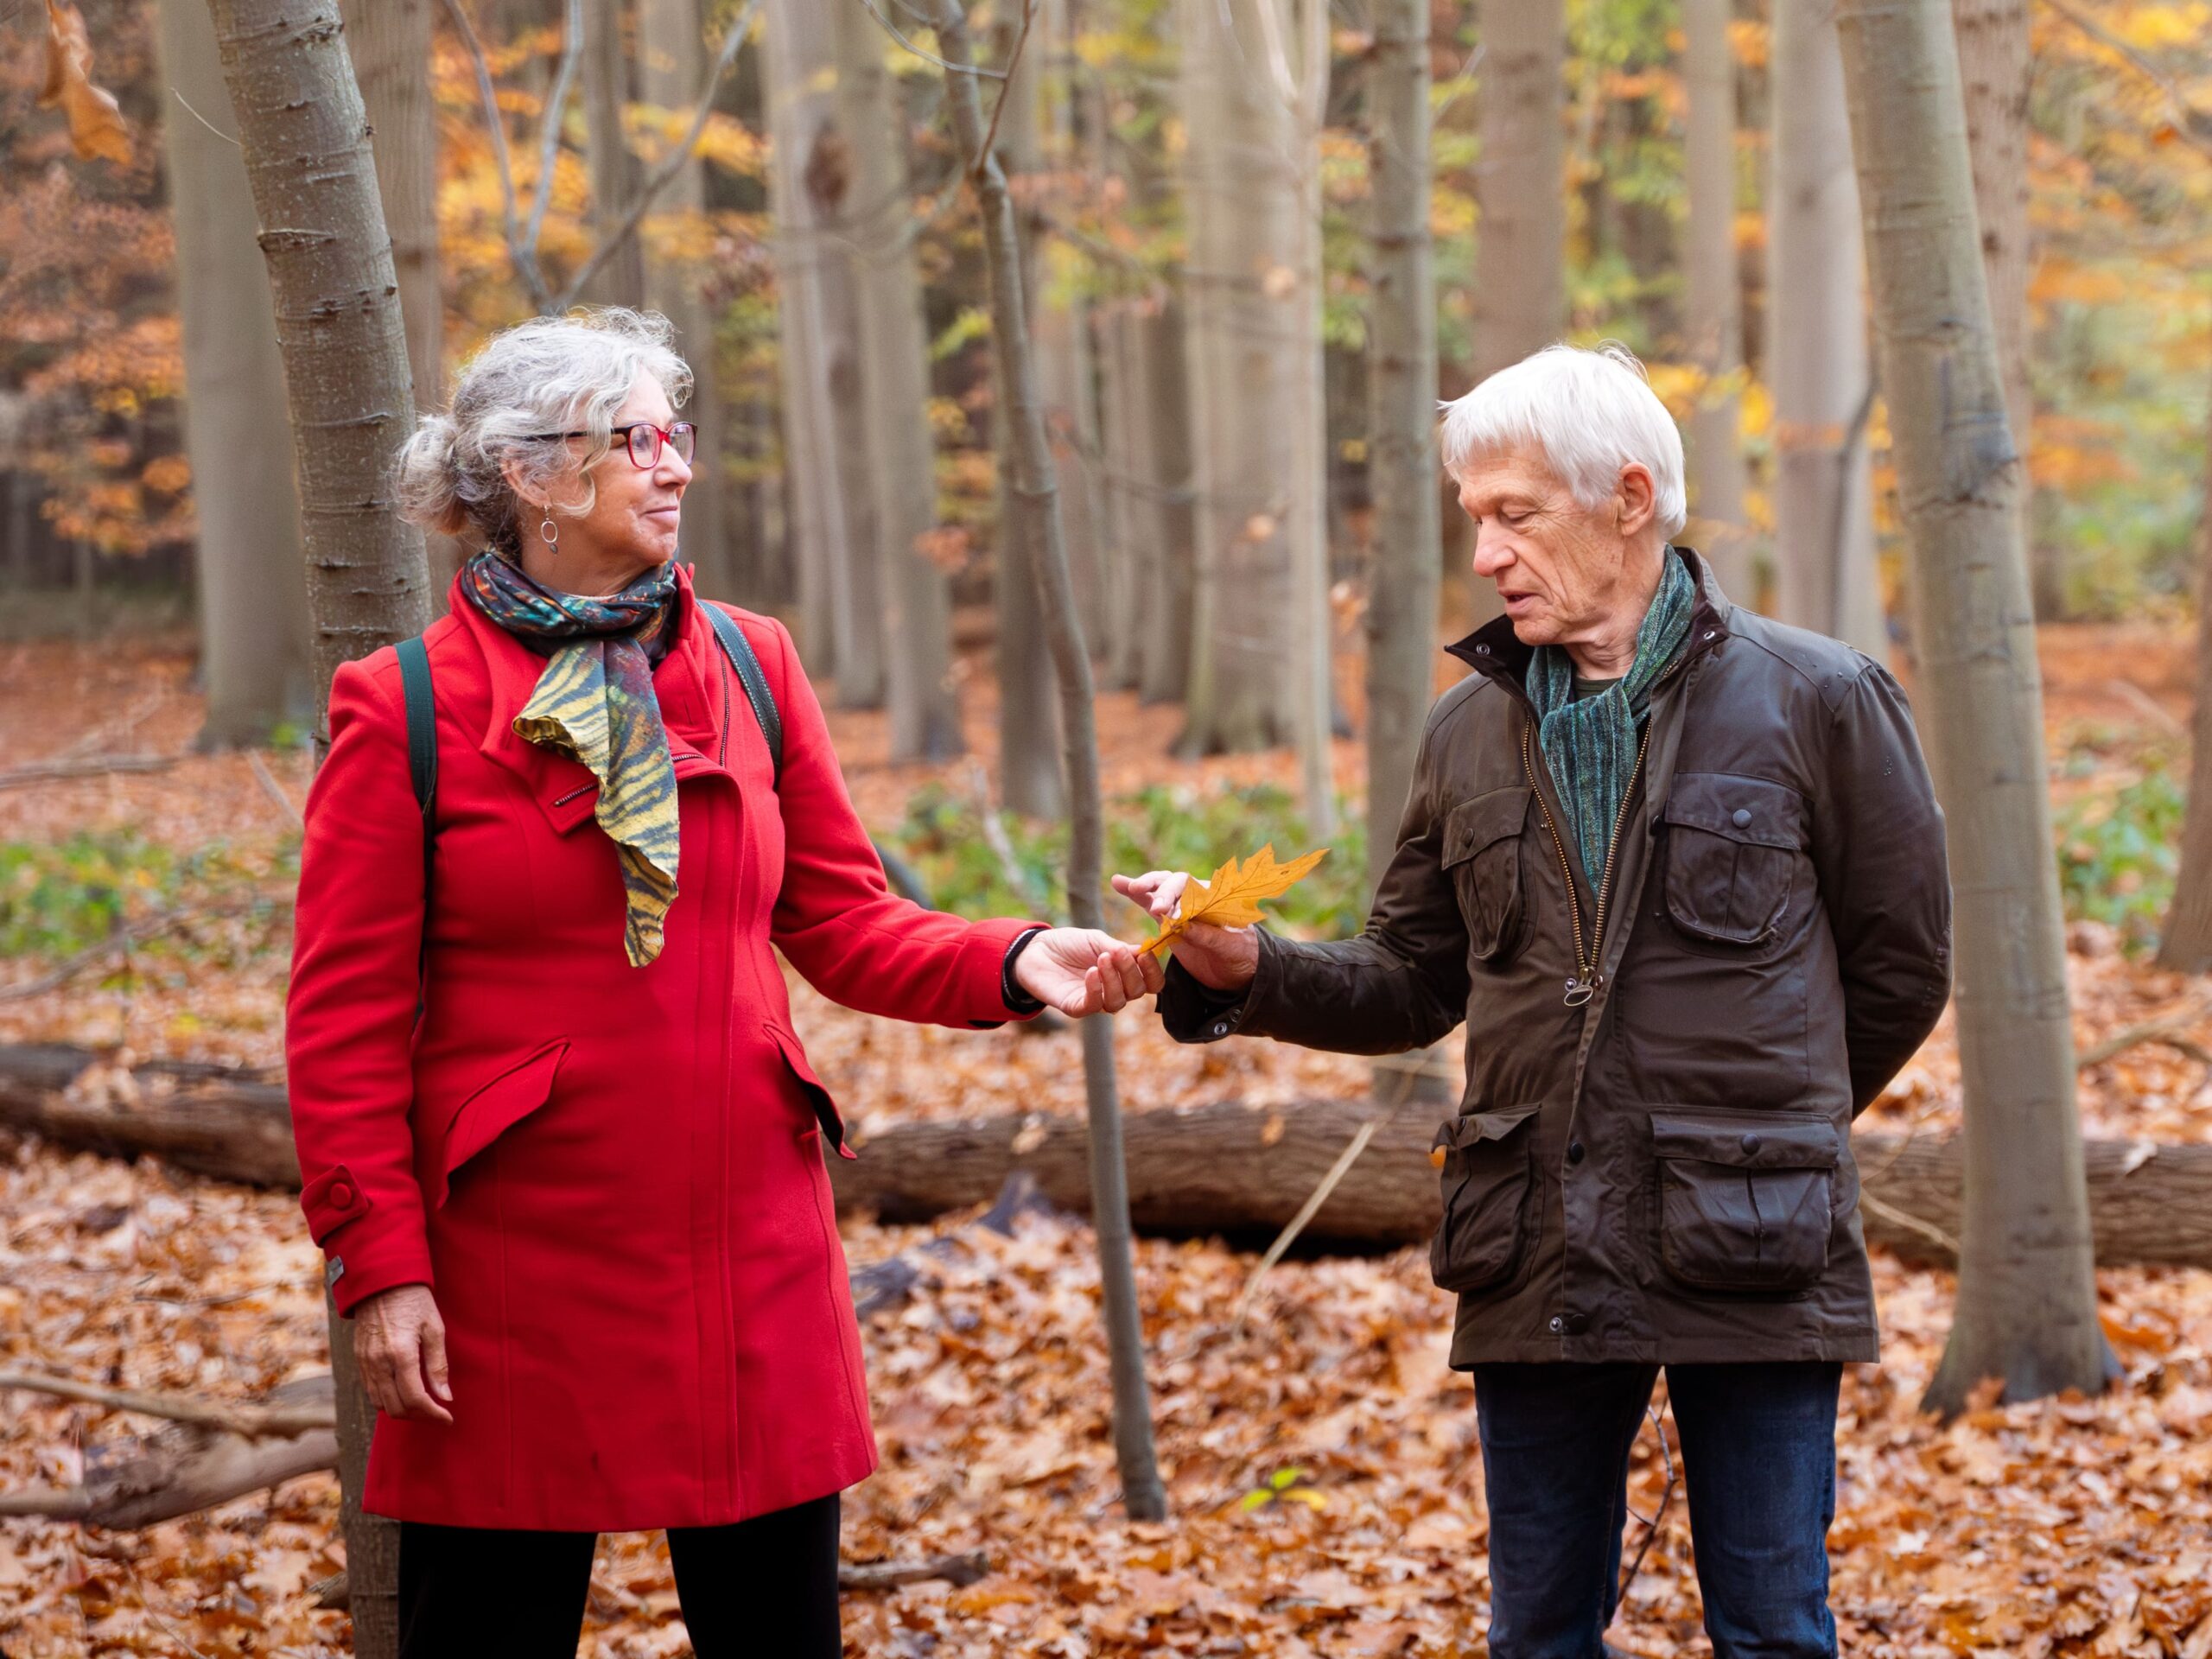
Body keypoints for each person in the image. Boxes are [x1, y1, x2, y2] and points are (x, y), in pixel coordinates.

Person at [285, 308, 1165, 1659]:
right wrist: (380, 1264)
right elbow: (340, 1028)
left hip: (749, 1238)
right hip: (514, 1264)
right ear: (530, 475)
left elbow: (845, 920)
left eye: (675, 434)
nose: (675, 466)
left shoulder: (749, 661)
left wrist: (1009, 956)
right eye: (636, 439)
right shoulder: (404, 707)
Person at [1116, 343, 1952, 1659]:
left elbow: (1902, 965)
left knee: (1775, 1629)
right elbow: (1410, 978)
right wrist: (1248, 968)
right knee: (1537, 1632)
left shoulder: (1821, 699)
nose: (1490, 555)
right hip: (1534, 1236)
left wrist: (1765, 1132)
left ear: (1628, 498)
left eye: (1518, 515)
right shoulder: (1468, 732)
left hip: (1755, 1240)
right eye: (1476, 522)